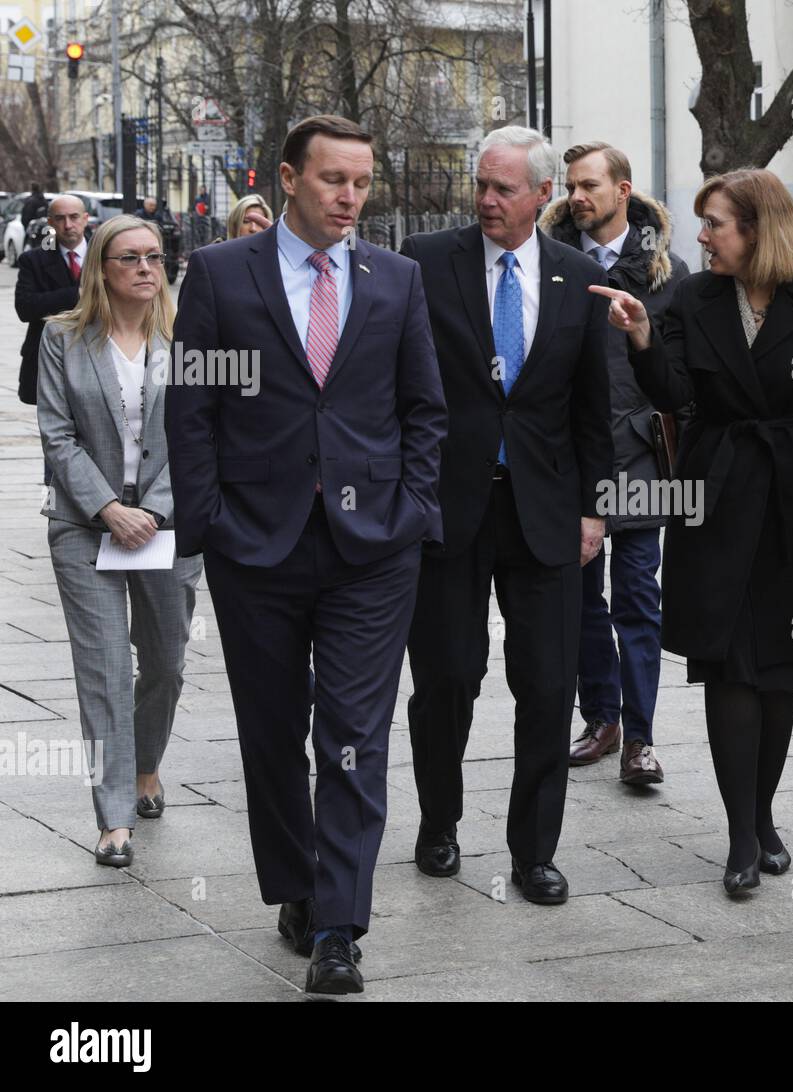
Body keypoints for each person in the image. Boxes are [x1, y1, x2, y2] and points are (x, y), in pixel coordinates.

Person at [165, 115, 447, 993]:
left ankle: (337, 924)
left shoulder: (396, 278)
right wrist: (208, 523)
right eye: (334, 180)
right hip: (258, 548)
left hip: (373, 551)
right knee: (273, 731)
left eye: (362, 182)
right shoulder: (218, 274)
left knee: (354, 735)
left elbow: (424, 410)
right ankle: (293, 886)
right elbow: (193, 409)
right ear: (289, 179)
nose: (351, 197)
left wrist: (415, 510)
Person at [592, 168, 793, 895]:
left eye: (715, 223)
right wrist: (640, 338)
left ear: (756, 229)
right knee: (726, 661)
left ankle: (764, 813)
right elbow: (675, 395)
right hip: (716, 492)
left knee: (779, 663)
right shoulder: (694, 295)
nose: (702, 236)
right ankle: (742, 835)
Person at [400, 125, 613, 905]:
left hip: (547, 513)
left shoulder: (576, 278)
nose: (486, 200)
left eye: (503, 189)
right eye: (481, 185)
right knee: (448, 677)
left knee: (550, 685)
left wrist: (596, 509)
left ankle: (535, 853)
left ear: (542, 195)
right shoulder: (424, 261)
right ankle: (439, 822)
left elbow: (594, 409)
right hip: (448, 510)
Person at [37, 215, 203, 869]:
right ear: (101, 268)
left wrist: (152, 510)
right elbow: (56, 435)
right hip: (83, 525)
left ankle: (145, 766)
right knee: (105, 669)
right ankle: (114, 816)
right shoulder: (62, 339)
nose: (145, 268)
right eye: (130, 257)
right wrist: (108, 506)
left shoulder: (187, 340)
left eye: (155, 257)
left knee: (165, 663)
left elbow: (198, 433)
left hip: (168, 525)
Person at [539, 141, 688, 785]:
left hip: (639, 459)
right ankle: (601, 717)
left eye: (590, 184)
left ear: (622, 191)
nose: (577, 195)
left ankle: (642, 738)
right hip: (567, 459)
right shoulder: (548, 264)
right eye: (571, 185)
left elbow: (679, 377)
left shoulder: (667, 273)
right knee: (579, 601)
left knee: (637, 599)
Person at [16, 195, 87, 406]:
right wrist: (78, 295)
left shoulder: (105, 256)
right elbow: (25, 308)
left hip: (93, 355)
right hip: (47, 358)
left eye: (74, 217)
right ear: (50, 223)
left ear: (85, 218)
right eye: (60, 218)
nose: (68, 225)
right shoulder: (34, 259)